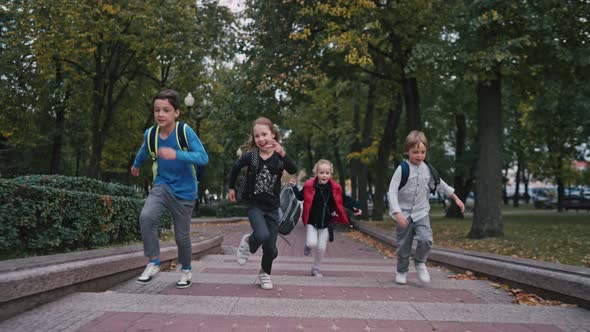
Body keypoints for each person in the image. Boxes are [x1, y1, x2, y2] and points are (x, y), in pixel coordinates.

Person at [131, 89, 209, 289]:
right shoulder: (151, 134)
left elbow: (203, 158)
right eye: (157, 110)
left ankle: (186, 270)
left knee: (181, 236)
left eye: (166, 110)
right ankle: (153, 261)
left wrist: (177, 155)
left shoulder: (184, 132)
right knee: (147, 216)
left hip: (185, 191)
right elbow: (143, 151)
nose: (160, 114)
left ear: (176, 112)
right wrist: (137, 165)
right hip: (162, 185)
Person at [228, 117, 297, 290]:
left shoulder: (279, 158)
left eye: (264, 134)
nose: (261, 138)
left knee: (271, 250)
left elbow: (293, 169)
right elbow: (236, 167)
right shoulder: (252, 157)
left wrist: (282, 152)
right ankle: (248, 242)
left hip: (273, 208)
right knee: (261, 235)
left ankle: (265, 274)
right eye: (257, 136)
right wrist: (231, 188)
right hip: (255, 205)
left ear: (273, 134)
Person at [387, 130, 464, 285]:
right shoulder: (402, 169)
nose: (419, 155)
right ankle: (401, 271)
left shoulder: (429, 170)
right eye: (415, 152)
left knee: (426, 239)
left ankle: (420, 261)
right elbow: (392, 191)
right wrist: (397, 212)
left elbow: (441, 186)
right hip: (404, 214)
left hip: (421, 212)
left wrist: (456, 198)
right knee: (404, 246)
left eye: (422, 152)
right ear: (407, 151)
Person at [289, 159, 362, 277]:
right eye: (321, 172)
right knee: (312, 243)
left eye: (327, 173)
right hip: (311, 221)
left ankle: (315, 269)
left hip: (326, 223)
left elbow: (344, 200)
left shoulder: (335, 188)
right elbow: (299, 197)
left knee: (321, 248)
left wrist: (355, 207)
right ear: (316, 173)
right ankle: (307, 246)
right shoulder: (309, 186)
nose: (324, 175)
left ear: (330, 174)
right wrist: (293, 187)